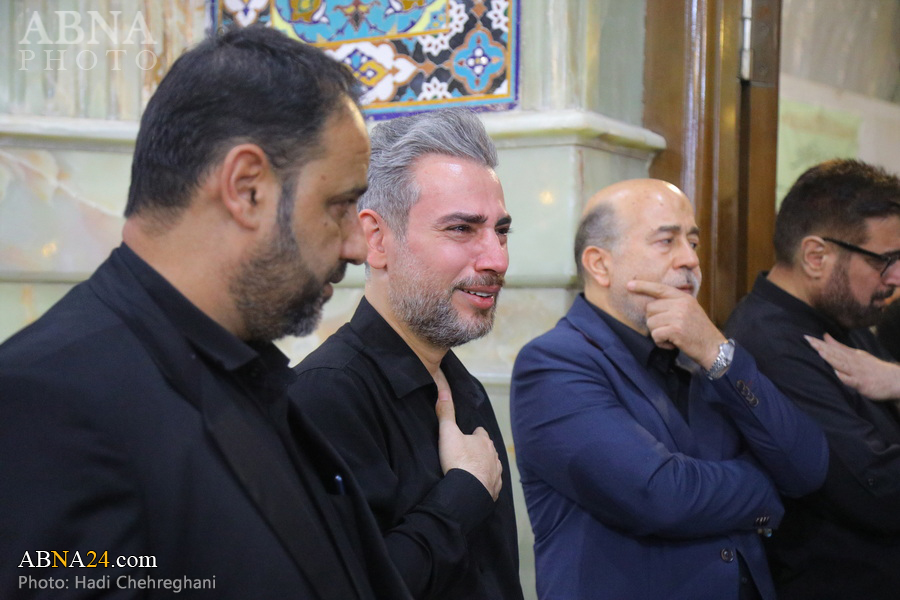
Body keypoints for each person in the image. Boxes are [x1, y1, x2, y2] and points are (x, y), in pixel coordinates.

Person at [0, 26, 412, 600]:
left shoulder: (242, 366)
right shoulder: (47, 403)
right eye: (340, 205)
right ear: (246, 188)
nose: (358, 246)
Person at [511, 179, 829, 600]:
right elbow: (659, 497)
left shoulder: (703, 353)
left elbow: (807, 466)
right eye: (666, 241)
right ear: (600, 265)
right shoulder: (553, 363)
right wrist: (768, 486)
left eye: (692, 243)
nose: (690, 260)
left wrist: (716, 352)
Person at [289, 109, 524, 600]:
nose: (497, 259)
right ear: (376, 239)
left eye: (500, 231)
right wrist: (464, 491)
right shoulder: (323, 396)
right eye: (461, 229)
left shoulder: (463, 387)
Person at [725, 159, 900, 599]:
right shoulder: (768, 342)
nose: (896, 278)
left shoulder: (845, 316)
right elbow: (877, 490)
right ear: (816, 256)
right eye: (885, 260)